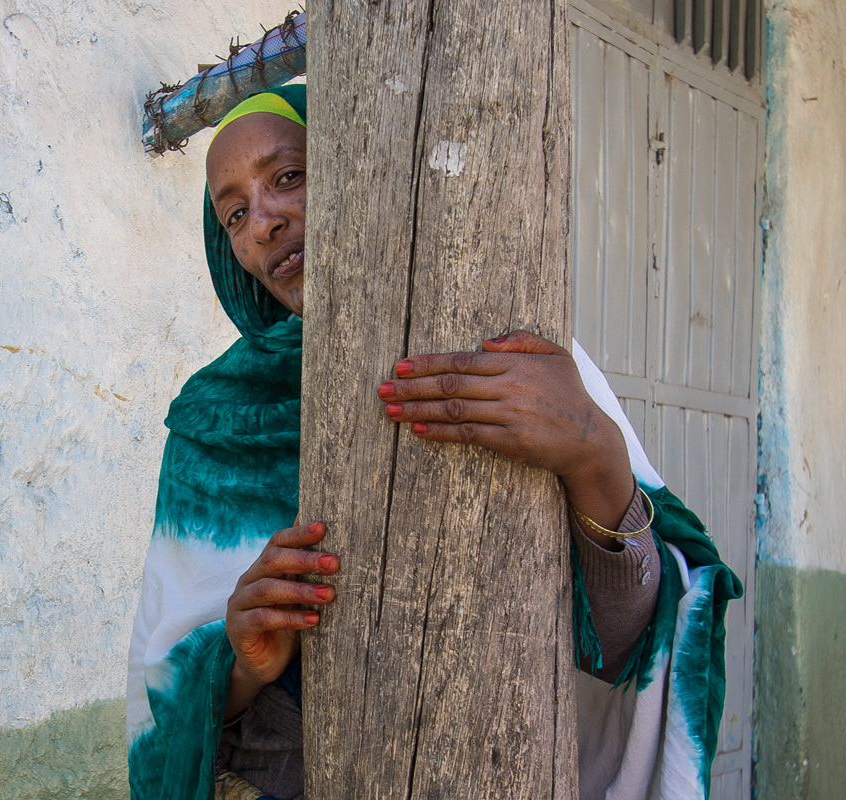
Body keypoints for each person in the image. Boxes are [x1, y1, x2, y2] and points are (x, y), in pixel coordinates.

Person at [127, 84, 741, 800]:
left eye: (289, 176)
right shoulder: (215, 424)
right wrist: (240, 666)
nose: (262, 222)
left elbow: (627, 647)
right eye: (234, 213)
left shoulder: (513, 361)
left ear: (360, 170)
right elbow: (166, 703)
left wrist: (592, 453)